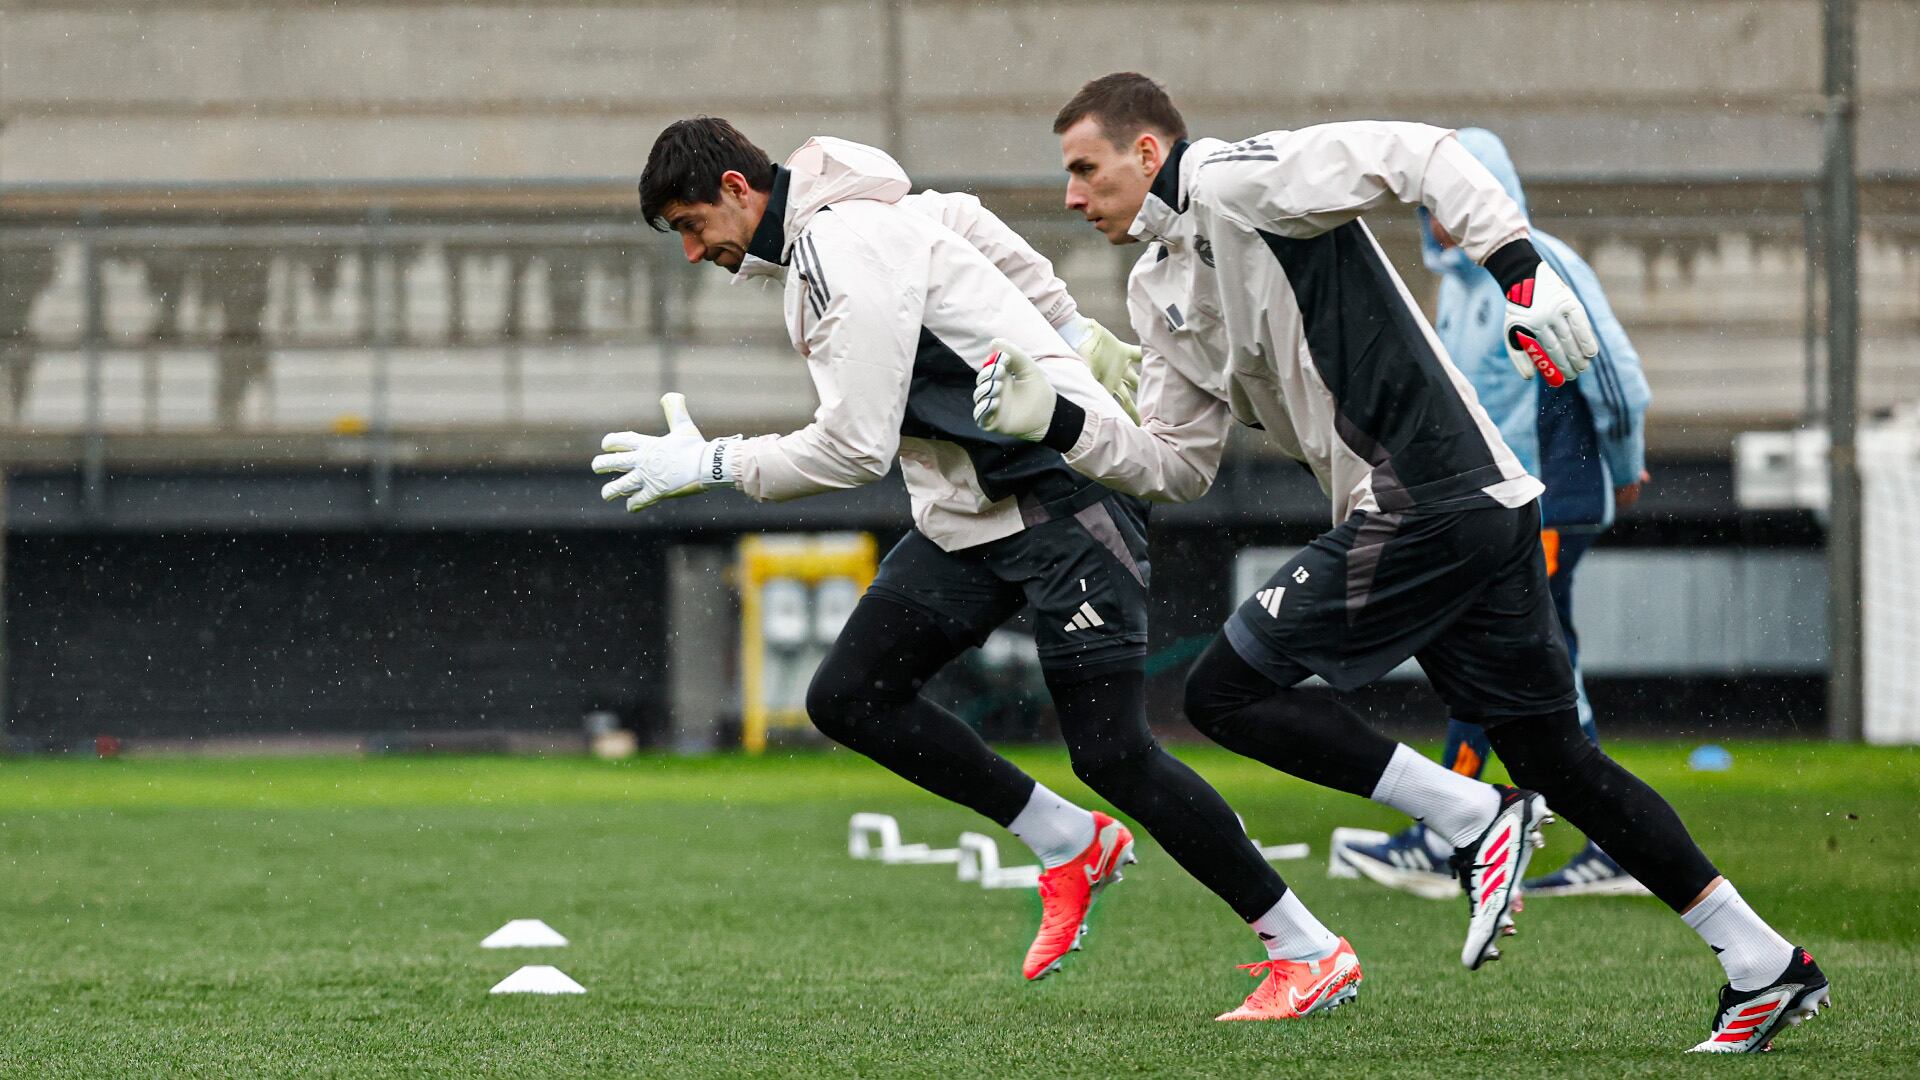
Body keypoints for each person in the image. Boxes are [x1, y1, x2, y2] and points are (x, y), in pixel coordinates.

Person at [973, 73, 1827, 1051]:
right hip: (1469, 508)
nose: (1073, 195)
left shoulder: (1241, 181)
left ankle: (1470, 817)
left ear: (1149, 154)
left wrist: (1520, 269)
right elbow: (1179, 466)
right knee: (1559, 758)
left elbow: (1426, 154)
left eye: (1085, 170)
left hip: (1431, 494)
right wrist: (1066, 422)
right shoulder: (1154, 286)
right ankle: (1763, 964)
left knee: (1223, 695)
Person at [599, 117, 1359, 1016]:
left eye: (691, 225)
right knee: (850, 696)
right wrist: (1077, 332)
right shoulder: (861, 217)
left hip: (1061, 497)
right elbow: (975, 228)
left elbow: (852, 448)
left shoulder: (841, 239)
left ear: (736, 188)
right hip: (974, 515)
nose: (692, 252)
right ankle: (1069, 842)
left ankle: (1308, 948)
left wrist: (712, 465)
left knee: (1115, 753)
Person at [1339, 128, 1656, 900]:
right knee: (1526, 658)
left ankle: (1462, 832)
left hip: (1551, 499)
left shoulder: (1539, 261)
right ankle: (1578, 838)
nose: (1443, 215)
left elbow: (1615, 378)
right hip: (1496, 507)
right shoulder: (1453, 280)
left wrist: (1622, 466)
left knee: (1511, 656)